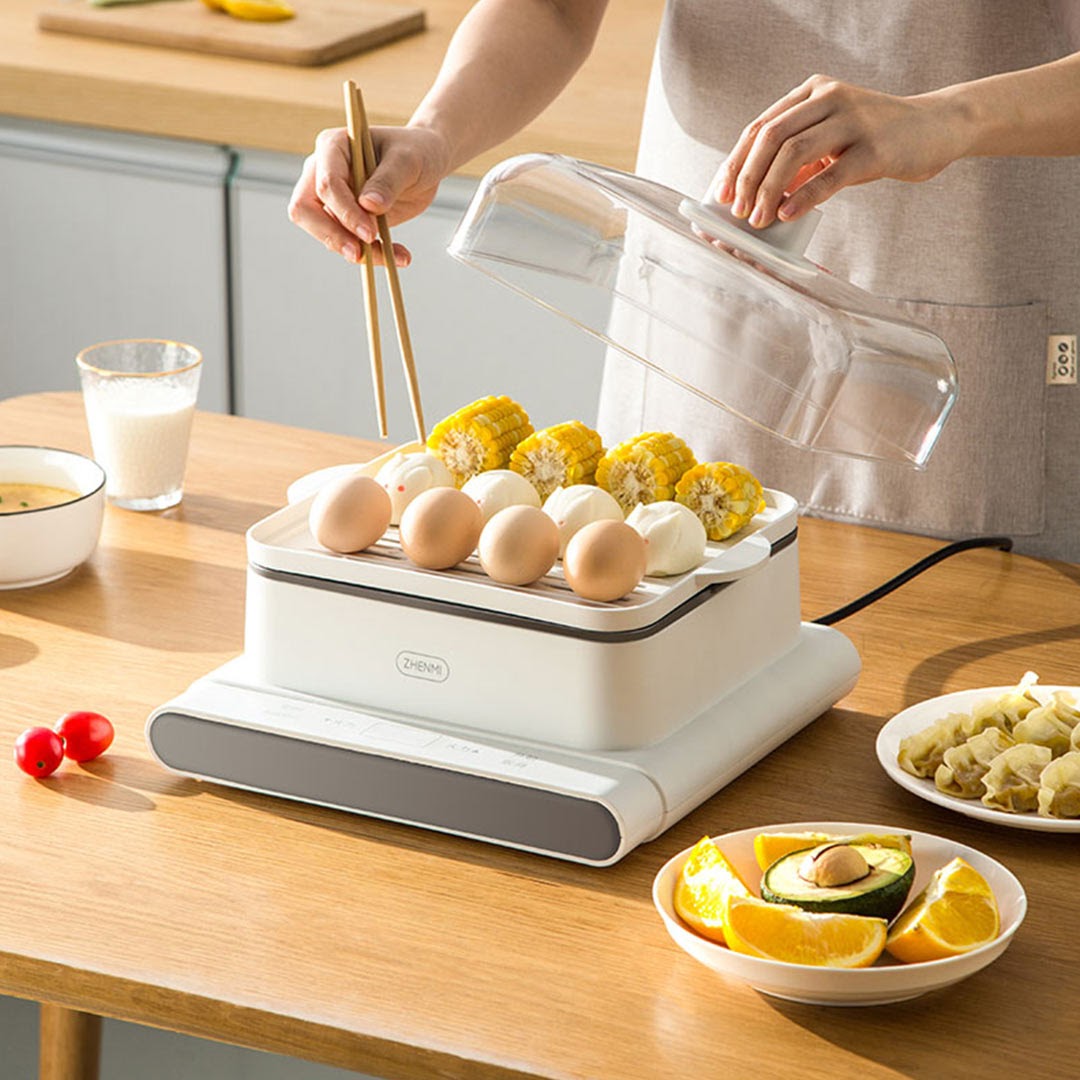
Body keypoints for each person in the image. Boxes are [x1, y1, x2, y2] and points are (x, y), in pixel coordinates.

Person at [289, 1, 1080, 561]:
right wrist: (435, 132)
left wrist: (952, 117)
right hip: (698, 278)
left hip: (971, 257)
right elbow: (555, 8)